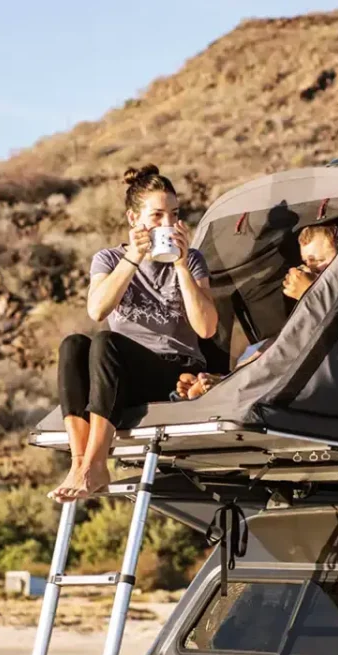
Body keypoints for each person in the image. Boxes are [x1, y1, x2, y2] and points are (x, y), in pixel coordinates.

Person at [49, 164, 218, 502]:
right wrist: (134, 256)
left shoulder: (193, 260)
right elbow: (97, 310)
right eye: (157, 216)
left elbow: (207, 328)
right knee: (73, 345)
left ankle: (97, 462)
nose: (167, 224)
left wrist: (181, 264)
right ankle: (80, 460)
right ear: (133, 219)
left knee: (105, 342)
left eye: (174, 215)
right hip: (122, 374)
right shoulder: (109, 259)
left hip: (174, 370)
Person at [175, 221, 338, 401]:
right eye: (305, 261)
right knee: (267, 345)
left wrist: (309, 293)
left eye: (318, 261)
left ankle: (227, 385)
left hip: (332, 363)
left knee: (282, 345)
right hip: (294, 353)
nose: (309, 269)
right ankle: (228, 381)